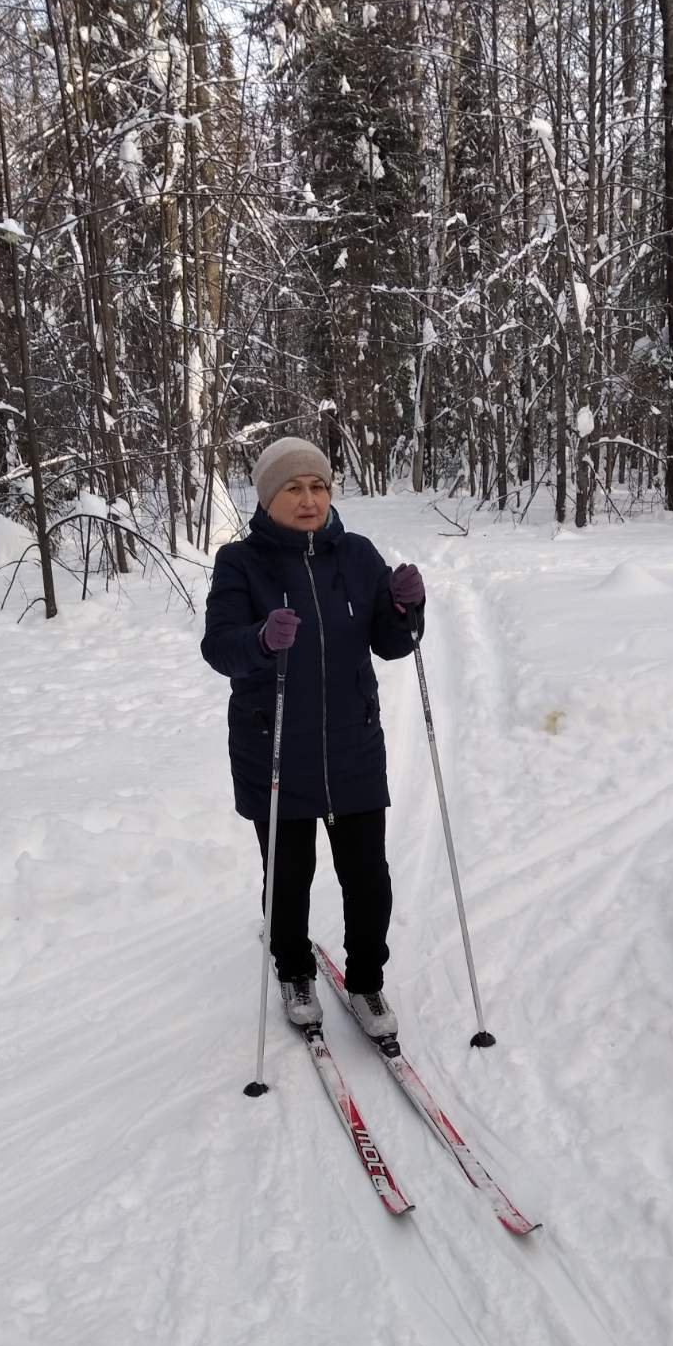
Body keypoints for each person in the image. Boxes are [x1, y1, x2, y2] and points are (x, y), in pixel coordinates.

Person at [201, 437, 425, 1038]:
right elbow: (219, 648)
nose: (308, 499)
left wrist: (407, 610)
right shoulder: (240, 564)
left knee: (368, 878)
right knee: (289, 877)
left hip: (352, 744)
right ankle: (295, 970)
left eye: (318, 486)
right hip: (273, 748)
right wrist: (258, 641)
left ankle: (367, 984)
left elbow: (391, 643)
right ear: (268, 498)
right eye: (293, 488)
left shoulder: (357, 555)